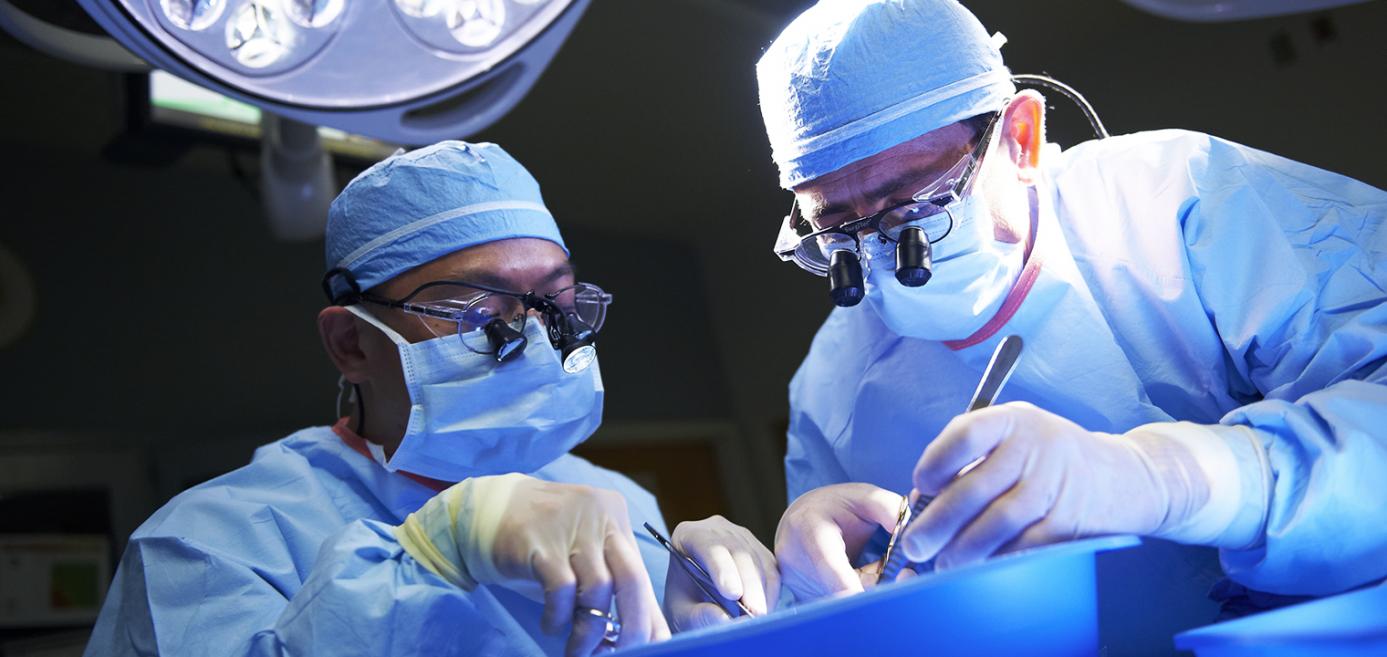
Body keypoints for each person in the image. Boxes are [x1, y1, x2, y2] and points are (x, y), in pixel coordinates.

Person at [757, 0, 1387, 616]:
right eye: (837, 233)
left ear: (1021, 141)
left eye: (919, 208)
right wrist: (805, 598)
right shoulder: (832, 386)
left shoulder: (1181, 203)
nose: (886, 261)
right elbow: (875, 605)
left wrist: (1171, 477)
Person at [84, 141, 776, 657]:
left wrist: (724, 623)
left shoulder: (614, 500)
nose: (534, 339)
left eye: (557, 302)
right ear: (353, 344)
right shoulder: (211, 543)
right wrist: (429, 556)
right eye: (475, 312)